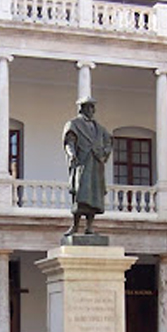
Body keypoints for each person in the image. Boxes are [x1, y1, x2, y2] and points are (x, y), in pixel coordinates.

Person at [63, 96, 112, 235]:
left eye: (93, 107)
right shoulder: (73, 124)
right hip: (82, 163)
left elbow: (109, 142)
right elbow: (69, 142)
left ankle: (89, 226)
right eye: (89, 107)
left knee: (94, 197)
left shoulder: (100, 128)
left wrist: (105, 152)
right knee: (80, 195)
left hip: (96, 165)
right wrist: (71, 154)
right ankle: (75, 225)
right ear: (82, 108)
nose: (92, 110)